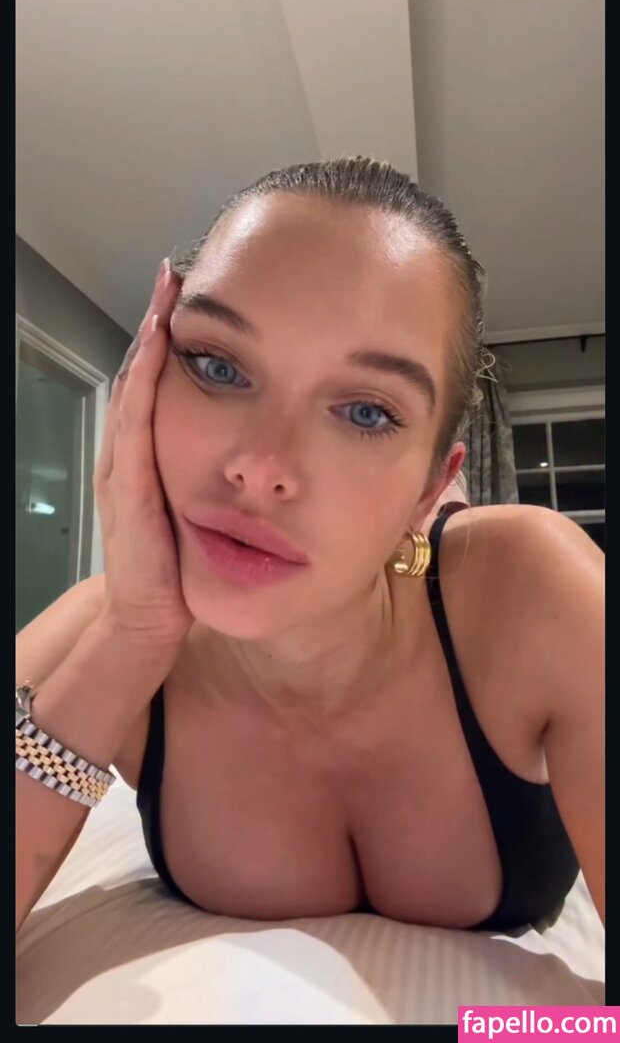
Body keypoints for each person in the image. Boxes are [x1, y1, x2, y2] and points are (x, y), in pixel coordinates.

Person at [16, 157, 603, 936]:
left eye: (366, 413)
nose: (261, 467)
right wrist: (133, 638)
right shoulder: (103, 626)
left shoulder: (538, 589)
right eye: (218, 366)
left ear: (429, 486)